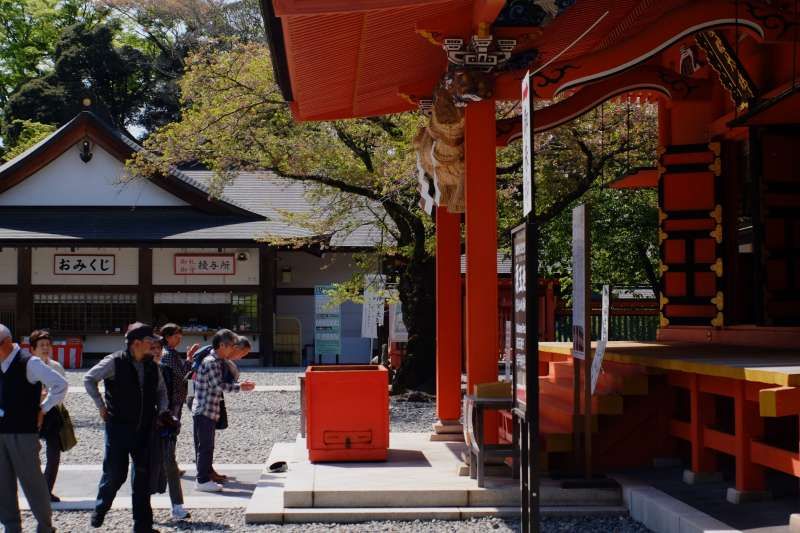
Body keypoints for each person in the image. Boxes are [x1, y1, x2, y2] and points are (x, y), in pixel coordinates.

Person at [84, 322, 171, 533]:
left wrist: (163, 411)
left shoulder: (153, 365)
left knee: (142, 478)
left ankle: (143, 527)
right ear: (136, 343)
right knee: (115, 474)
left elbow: (161, 391)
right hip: (118, 429)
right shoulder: (114, 362)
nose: (154, 345)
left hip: (144, 429)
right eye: (151, 341)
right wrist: (101, 407)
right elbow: (89, 379)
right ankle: (101, 508)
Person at [0, 324, 67, 533]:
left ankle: (45, 527)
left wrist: (43, 408)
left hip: (23, 431)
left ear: (5, 343)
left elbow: (60, 385)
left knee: (32, 483)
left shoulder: (29, 362)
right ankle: (12, 527)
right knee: (3, 483)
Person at [192, 329, 255, 492]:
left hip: (207, 409)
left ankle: (204, 477)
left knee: (206, 446)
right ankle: (202, 480)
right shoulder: (212, 361)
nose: (233, 349)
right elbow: (217, 385)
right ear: (222, 345)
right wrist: (239, 387)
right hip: (205, 409)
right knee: (205, 446)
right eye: (231, 346)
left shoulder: (215, 360)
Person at [150, 340, 190, 522]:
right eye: (152, 349)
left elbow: (176, 396)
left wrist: (173, 420)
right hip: (144, 428)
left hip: (165, 424)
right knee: (144, 467)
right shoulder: (136, 371)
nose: (156, 352)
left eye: (158, 348)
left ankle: (177, 506)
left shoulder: (166, 370)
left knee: (170, 463)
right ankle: (143, 507)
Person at [29, 330, 70, 502]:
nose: (45, 348)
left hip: (51, 411)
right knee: (31, 453)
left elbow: (62, 390)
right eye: (41, 345)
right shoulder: (28, 367)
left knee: (54, 453)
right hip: (31, 413)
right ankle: (35, 489)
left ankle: (47, 489)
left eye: (47, 345)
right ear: (32, 349)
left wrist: (48, 401)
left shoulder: (56, 367)